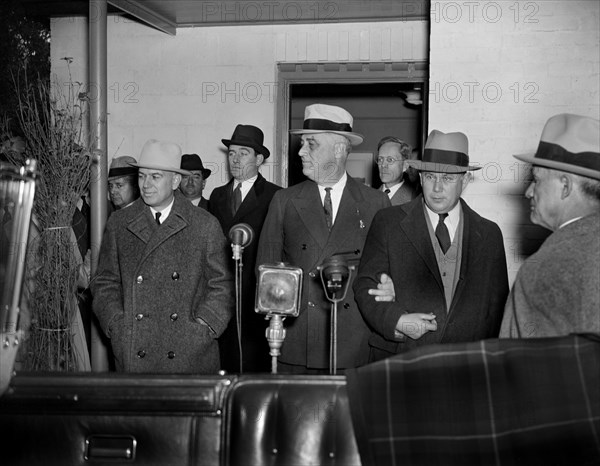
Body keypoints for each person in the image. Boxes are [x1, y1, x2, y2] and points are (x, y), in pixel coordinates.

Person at [256, 104, 390, 374]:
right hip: (296, 345)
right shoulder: (285, 201)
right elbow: (264, 274)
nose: (301, 151)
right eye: (303, 143)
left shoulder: (376, 203)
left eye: (311, 144)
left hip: (355, 345)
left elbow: (389, 271)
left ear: (339, 149)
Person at [353, 129, 509, 362]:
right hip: (401, 361)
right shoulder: (388, 222)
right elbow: (365, 285)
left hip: (467, 367)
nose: (436, 188)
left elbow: (498, 310)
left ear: (465, 180)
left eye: (447, 178)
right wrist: (397, 320)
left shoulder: (489, 234)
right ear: (420, 176)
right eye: (430, 176)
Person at [91, 139, 233, 374]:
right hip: (134, 348)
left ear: (175, 180)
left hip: (189, 354)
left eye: (155, 177)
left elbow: (223, 285)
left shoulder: (204, 224)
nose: (146, 184)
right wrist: (116, 325)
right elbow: (105, 282)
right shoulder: (119, 223)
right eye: (141, 176)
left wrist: (205, 326)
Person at [500, 114, 600, 338]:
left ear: (565, 186)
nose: (528, 192)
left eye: (536, 179)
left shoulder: (542, 269)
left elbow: (516, 363)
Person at [208, 125, 281, 373]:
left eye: (243, 153)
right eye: (231, 153)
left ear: (259, 159)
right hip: (221, 296)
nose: (235, 159)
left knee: (254, 366)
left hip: (256, 298)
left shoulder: (276, 196)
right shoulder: (216, 197)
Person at [375, 136, 420, 205]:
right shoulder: (369, 197)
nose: (383, 165)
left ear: (405, 166)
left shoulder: (415, 200)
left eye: (390, 160)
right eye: (380, 159)